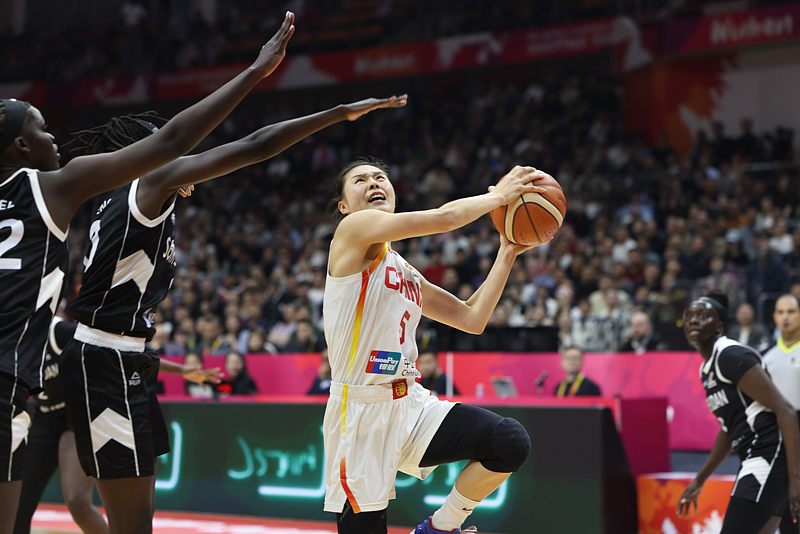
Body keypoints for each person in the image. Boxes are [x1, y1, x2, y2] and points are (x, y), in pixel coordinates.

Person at [58, 38, 407, 534]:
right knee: (131, 526)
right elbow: (255, 145)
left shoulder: (122, 200)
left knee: (137, 522)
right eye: (168, 146)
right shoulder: (144, 188)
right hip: (104, 360)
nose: (182, 155)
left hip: (126, 358)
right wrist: (331, 109)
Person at [0, 13, 296, 528]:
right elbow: (184, 144)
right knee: (95, 510)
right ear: (21, 146)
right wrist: (258, 73)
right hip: (86, 366)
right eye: (43, 130)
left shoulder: (97, 199)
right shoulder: (58, 188)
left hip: (83, 369)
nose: (55, 138)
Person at [323, 158, 542, 533]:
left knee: (507, 441)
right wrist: (499, 196)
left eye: (380, 177)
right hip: (359, 412)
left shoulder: (402, 268)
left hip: (409, 403)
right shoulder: (351, 231)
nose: (373, 182)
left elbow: (470, 319)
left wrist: (506, 252)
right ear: (344, 206)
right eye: (360, 180)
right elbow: (445, 218)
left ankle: (441, 527)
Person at [13, 318, 221, 534]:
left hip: (72, 417)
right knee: (18, 503)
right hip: (43, 417)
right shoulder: (13, 338)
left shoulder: (57, 331)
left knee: (77, 502)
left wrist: (183, 371)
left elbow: (122, 349)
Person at [677, 290, 800, 534]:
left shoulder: (731, 355)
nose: (694, 321)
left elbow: (785, 411)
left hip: (768, 454)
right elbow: (729, 429)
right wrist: (700, 479)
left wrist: (796, 478)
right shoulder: (707, 368)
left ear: (719, 326)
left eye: (703, 316)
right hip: (757, 456)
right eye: (689, 316)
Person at [762, 294, 800, 534]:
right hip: (778, 437)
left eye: (791, 311)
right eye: (781, 312)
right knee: (787, 506)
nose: (786, 317)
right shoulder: (766, 357)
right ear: (775, 317)